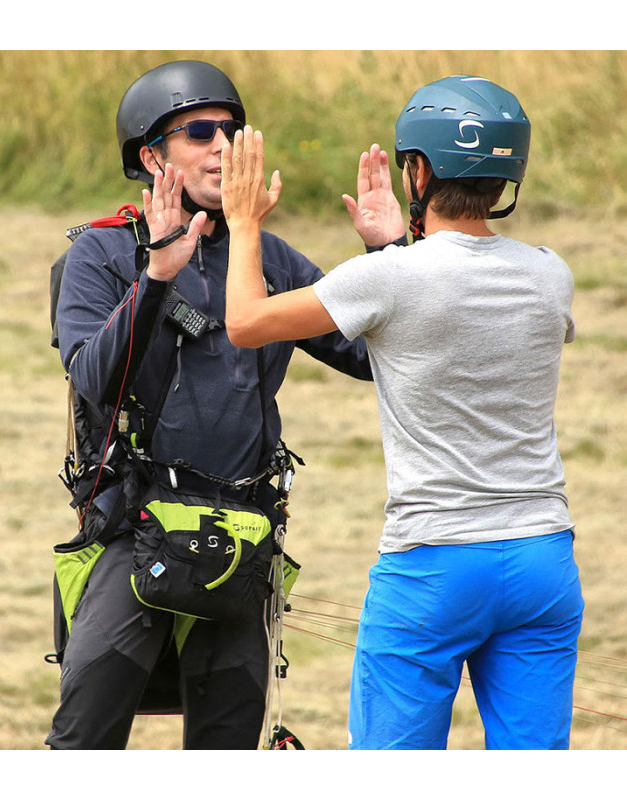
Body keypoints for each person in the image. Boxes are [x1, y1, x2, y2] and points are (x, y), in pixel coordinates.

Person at [216, 75, 584, 750]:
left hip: (433, 567)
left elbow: (244, 322)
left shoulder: (387, 279)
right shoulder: (549, 274)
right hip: (542, 561)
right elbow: (453, 299)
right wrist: (396, 245)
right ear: (508, 179)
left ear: (418, 170)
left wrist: (243, 224)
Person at [46, 59, 404, 750]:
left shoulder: (265, 255)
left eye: (230, 131)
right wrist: (155, 277)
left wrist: (392, 257)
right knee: (82, 744)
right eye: (198, 132)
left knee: (227, 753)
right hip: (132, 530)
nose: (220, 146)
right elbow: (91, 378)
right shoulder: (101, 253)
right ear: (152, 157)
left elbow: (371, 359)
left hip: (240, 537)